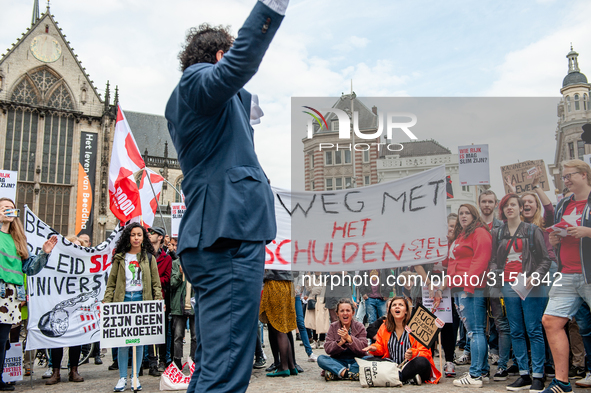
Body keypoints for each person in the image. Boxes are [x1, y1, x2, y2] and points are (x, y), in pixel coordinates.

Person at [165, 0, 287, 390]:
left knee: (213, 361)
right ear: (220, 54)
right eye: (227, 53)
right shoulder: (198, 80)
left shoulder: (197, 102)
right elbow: (240, 63)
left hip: (215, 233)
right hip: (228, 234)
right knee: (228, 367)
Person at [489, 194, 551, 392]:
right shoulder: (498, 233)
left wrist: (535, 277)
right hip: (508, 284)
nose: (509, 208)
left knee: (533, 329)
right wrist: (493, 275)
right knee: (516, 330)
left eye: (513, 204)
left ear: (520, 207)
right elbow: (494, 260)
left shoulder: (532, 230)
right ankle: (524, 374)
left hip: (530, 284)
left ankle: (538, 376)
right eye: (506, 205)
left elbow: (546, 259)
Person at [542, 160, 591, 393]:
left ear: (584, 175)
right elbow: (557, 229)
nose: (566, 179)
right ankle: (561, 382)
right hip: (566, 273)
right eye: (564, 177)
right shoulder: (563, 204)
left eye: (570, 175)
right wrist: (555, 239)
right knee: (551, 321)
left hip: (589, 272)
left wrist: (587, 232)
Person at [0, 198, 57, 391]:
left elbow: (29, 269)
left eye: (10, 208)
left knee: (2, 340)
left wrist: (44, 253)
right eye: (3, 208)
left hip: (10, 296)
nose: (7, 210)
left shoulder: (18, 240)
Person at [103, 223, 163, 392]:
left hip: (142, 299)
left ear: (144, 238)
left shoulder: (149, 257)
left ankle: (135, 377)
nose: (136, 238)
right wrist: (107, 301)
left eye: (139, 235)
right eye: (133, 235)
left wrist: (158, 300)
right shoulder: (120, 257)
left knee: (138, 341)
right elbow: (111, 282)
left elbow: (155, 283)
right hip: (122, 300)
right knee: (123, 342)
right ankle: (122, 377)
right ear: (128, 237)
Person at [441, 204, 492, 387]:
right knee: (474, 330)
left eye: (467, 213)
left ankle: (475, 375)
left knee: (475, 331)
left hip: (470, 288)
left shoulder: (479, 232)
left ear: (474, 214)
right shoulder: (461, 236)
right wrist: (448, 241)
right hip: (458, 287)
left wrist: (469, 287)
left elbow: (481, 260)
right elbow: (448, 261)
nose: (463, 216)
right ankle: (483, 371)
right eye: (461, 213)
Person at [476, 190, 512, 382]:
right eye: (484, 201)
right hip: (476, 282)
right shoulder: (474, 226)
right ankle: (481, 367)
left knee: (501, 324)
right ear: (479, 203)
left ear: (495, 203)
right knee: (478, 326)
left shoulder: (502, 226)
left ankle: (502, 365)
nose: (487, 204)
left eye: (491, 201)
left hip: (496, 281)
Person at [364, 296, 441, 385]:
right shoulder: (384, 327)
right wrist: (374, 348)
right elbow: (380, 347)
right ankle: (406, 378)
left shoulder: (415, 327)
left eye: (400, 305)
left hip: (410, 365)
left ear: (406, 310)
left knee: (422, 362)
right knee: (368, 360)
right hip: (392, 364)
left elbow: (426, 353)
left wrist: (413, 353)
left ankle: (397, 377)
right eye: (394, 305)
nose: (397, 307)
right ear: (390, 310)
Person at [44, 235, 86, 385]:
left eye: (77, 246)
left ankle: (73, 370)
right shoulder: (56, 263)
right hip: (58, 304)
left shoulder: (83, 264)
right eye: (71, 245)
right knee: (57, 338)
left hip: (76, 307)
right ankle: (55, 371)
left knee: (76, 339)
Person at [318, 298, 367, 381]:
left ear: (353, 312)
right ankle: (348, 374)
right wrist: (340, 343)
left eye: (348, 310)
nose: (345, 313)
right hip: (339, 360)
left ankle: (337, 373)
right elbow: (328, 349)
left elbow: (363, 348)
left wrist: (349, 338)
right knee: (321, 359)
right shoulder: (333, 326)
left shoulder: (359, 326)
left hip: (356, 361)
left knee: (368, 359)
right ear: (337, 313)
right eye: (342, 311)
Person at [147, 226, 172, 374]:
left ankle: (162, 359)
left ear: (160, 237)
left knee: (161, 330)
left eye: (153, 233)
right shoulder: (145, 256)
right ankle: (150, 362)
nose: (150, 235)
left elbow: (167, 279)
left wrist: (153, 280)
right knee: (148, 331)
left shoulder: (166, 258)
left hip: (160, 298)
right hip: (146, 297)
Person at [170, 252, 196, 370]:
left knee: (195, 336)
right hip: (178, 306)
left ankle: (194, 360)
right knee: (178, 336)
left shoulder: (197, 263)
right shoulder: (175, 264)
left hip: (194, 306)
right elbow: (172, 284)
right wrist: (180, 274)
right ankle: (177, 361)